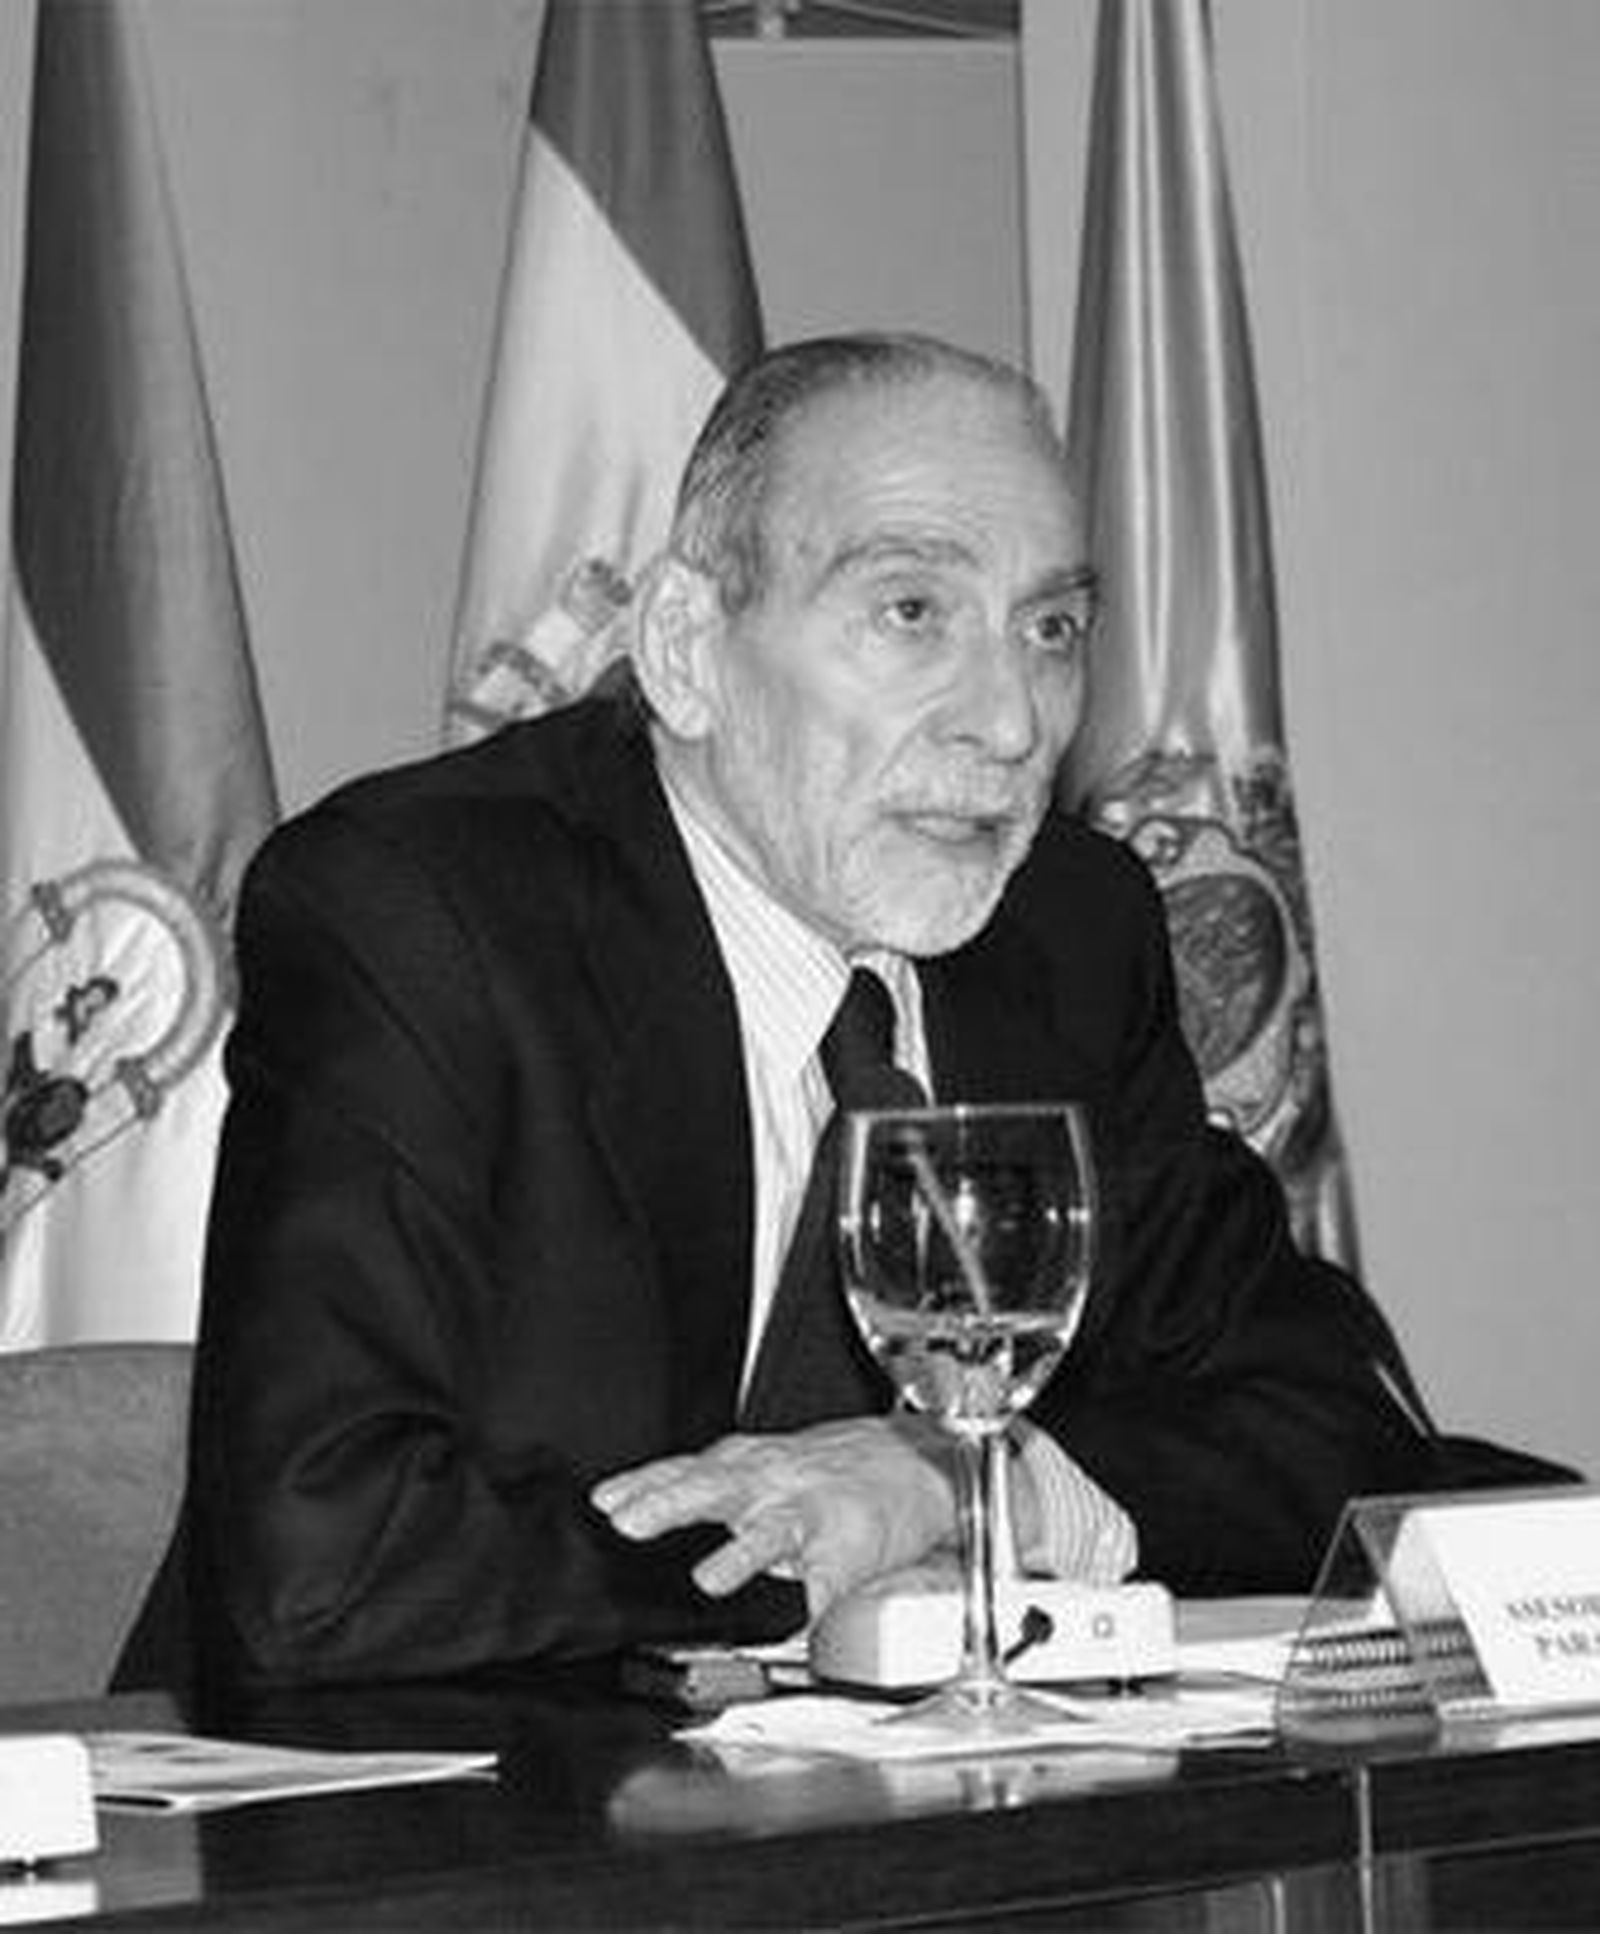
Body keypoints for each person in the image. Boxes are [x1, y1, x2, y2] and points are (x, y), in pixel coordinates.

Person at [163, 332, 1569, 1694]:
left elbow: (1341, 1428)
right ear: (688, 649)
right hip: (441, 1844)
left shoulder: (1064, 932)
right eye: (913, 613)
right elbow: (325, 1554)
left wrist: (953, 1482)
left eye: (1054, 628)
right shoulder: (424, 912)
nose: (1012, 720)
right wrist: (823, 1552)